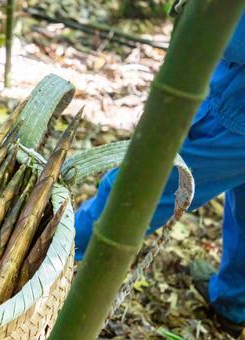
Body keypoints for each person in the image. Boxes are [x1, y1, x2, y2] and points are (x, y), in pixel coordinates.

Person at [74, 9, 245, 337]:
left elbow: (224, 34)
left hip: (235, 115)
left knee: (136, 189)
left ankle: (39, 265)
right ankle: (234, 304)